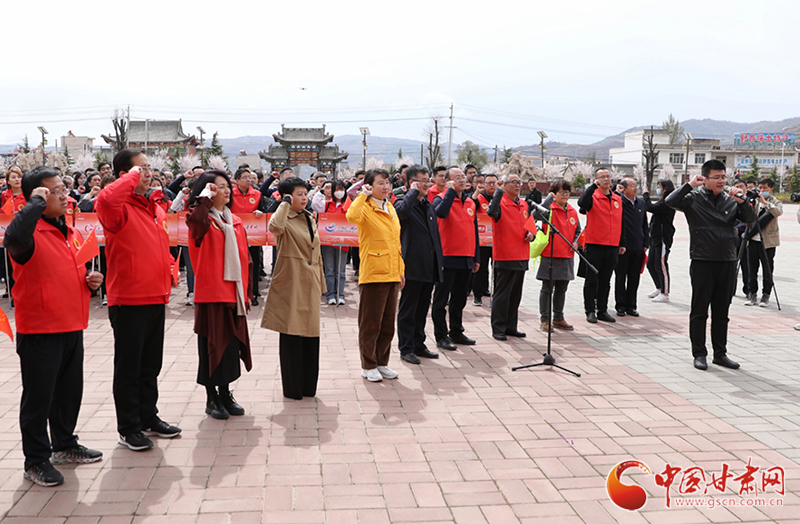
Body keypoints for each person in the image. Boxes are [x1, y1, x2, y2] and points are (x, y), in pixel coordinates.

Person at [4, 166, 104, 486]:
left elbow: (65, 273)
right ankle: (35, 460)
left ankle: (64, 444)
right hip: (40, 329)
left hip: (71, 324)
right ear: (38, 196)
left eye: (64, 189)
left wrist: (90, 283)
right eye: (55, 191)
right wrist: (33, 202)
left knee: (68, 392)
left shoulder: (69, 231)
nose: (64, 195)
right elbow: (13, 238)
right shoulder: (28, 234)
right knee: (39, 398)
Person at [95, 148, 181, 451]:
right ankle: (128, 427)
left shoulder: (153, 206)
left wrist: (170, 265)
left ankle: (148, 417)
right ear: (125, 175)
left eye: (148, 168)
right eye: (140, 168)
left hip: (156, 296)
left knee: (150, 365)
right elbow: (103, 199)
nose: (148, 172)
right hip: (129, 299)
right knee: (129, 368)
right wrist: (131, 179)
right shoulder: (117, 208)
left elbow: (159, 245)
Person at [666, 159, 755, 370]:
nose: (721, 181)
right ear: (705, 178)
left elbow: (750, 219)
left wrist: (742, 201)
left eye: (723, 177)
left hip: (727, 260)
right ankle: (699, 353)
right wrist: (689, 185)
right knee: (700, 310)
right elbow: (670, 201)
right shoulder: (692, 198)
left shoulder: (730, 199)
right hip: (702, 260)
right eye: (716, 178)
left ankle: (720, 353)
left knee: (721, 311)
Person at [186, 171, 253, 419]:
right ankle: (211, 397)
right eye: (218, 187)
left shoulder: (233, 221)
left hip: (233, 292)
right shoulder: (199, 219)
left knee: (229, 347)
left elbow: (246, 259)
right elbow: (196, 220)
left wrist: (247, 292)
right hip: (211, 293)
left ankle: (225, 394)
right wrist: (205, 197)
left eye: (227, 187)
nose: (225, 191)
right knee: (211, 346)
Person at [262, 177, 325, 399]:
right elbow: (275, 228)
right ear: (288, 196)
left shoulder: (309, 217)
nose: (304, 197)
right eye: (299, 194)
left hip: (310, 283)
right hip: (292, 282)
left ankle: (309, 386)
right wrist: (283, 203)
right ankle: (293, 388)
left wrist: (321, 284)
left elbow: (316, 253)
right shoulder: (284, 216)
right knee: (291, 334)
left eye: (305, 193)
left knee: (310, 334)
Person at [346, 169, 404, 382]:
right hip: (373, 272)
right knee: (371, 323)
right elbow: (350, 216)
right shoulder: (365, 207)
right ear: (369, 185)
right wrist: (363, 194)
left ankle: (382, 362)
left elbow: (396, 242)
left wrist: (400, 271)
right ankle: (368, 365)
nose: (386, 186)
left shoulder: (390, 206)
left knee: (388, 323)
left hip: (392, 271)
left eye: (387, 182)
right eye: (380, 183)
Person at [394, 166, 443, 364]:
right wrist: (412, 192)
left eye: (427, 180)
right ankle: (406, 348)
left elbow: (435, 238)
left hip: (429, 265)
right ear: (411, 182)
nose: (427, 184)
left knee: (422, 308)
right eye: (422, 181)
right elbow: (400, 214)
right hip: (412, 266)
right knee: (408, 309)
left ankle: (418, 343)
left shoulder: (429, 206)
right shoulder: (403, 203)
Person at [431, 167, 480, 350]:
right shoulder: (440, 199)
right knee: (441, 300)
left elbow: (474, 231)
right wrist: (449, 192)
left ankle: (456, 331)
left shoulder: (470, 202)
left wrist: (476, 257)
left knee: (459, 299)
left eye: (463, 177)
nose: (462, 180)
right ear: (447, 181)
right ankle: (441, 336)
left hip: (466, 257)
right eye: (457, 177)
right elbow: (441, 213)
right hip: (447, 257)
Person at [487, 174, 533, 340]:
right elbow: (491, 212)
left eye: (519, 182)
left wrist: (531, 235)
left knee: (515, 294)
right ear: (504, 185)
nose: (518, 185)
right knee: (502, 294)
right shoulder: (500, 202)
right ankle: (498, 328)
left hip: (522, 254)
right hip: (505, 255)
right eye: (514, 182)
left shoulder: (523, 204)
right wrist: (498, 192)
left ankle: (511, 326)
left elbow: (531, 227)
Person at [578, 168, 625, 323]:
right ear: (596, 179)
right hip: (594, 244)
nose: (606, 179)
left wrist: (622, 242)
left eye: (608, 176)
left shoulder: (617, 199)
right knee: (592, 279)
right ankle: (590, 310)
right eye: (602, 177)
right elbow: (581, 203)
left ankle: (602, 310)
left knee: (606, 280)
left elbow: (620, 222)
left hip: (612, 245)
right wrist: (592, 187)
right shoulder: (592, 196)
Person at [534, 180, 581, 331]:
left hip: (567, 256)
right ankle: (545, 320)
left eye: (567, 192)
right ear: (555, 194)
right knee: (547, 288)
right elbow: (534, 215)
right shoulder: (549, 209)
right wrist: (549, 199)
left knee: (562, 289)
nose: (565, 195)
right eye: (562, 192)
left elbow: (579, 231)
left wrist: (576, 242)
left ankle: (558, 318)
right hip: (550, 255)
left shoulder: (572, 211)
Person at [743, 177, 782, 307]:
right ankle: (752, 294)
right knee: (751, 269)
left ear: (771, 189)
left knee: (767, 269)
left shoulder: (774, 201)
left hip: (768, 242)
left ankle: (766, 295)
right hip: (753, 240)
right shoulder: (754, 201)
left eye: (765, 188)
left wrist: (765, 202)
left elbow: (778, 212)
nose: (761, 190)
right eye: (760, 188)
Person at [230, 168, 266, 307]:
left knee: (254, 265)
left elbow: (264, 210)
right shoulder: (230, 195)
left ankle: (253, 293)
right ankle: (239, 292)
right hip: (234, 236)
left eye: (250, 177)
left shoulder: (257, 194)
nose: (249, 180)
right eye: (245, 177)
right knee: (236, 265)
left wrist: (260, 211)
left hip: (254, 237)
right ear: (237, 180)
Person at [614, 178, 649, 317]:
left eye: (636, 186)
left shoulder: (640, 203)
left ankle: (631, 306)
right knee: (621, 277)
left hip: (638, 246)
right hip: (623, 247)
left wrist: (646, 243)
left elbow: (645, 225)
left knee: (634, 277)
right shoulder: (618, 202)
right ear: (624, 188)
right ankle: (620, 306)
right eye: (632, 186)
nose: (635, 188)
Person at [313, 180, 349, 305]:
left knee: (341, 270)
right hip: (327, 242)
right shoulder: (327, 204)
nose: (339, 192)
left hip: (344, 242)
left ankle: (341, 294)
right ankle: (330, 294)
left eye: (341, 189)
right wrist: (322, 190)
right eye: (336, 189)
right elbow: (315, 204)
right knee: (329, 269)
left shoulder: (348, 205)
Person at [643, 179, 676, 303]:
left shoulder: (668, 202)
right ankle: (659, 287)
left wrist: (645, 194)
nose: (658, 188)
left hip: (663, 237)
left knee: (661, 265)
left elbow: (650, 207)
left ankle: (665, 293)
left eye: (659, 186)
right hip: (655, 236)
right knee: (651, 264)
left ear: (665, 188)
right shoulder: (663, 200)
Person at [472, 173, 497, 305]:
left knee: (497, 269)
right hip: (482, 240)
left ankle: (496, 296)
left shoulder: (501, 198)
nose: (492, 185)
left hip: (497, 241)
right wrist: (476, 192)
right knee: (480, 269)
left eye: (494, 182)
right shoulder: (479, 198)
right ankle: (477, 295)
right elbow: (471, 206)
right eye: (489, 183)